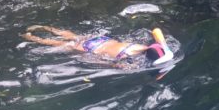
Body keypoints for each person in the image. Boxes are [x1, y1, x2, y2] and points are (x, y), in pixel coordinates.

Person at [23, 25, 172, 64]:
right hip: (93, 49)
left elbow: (157, 32)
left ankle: (44, 27)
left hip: (101, 40)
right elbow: (111, 64)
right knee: (58, 44)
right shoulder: (131, 60)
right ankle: (31, 38)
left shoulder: (139, 46)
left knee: (73, 36)